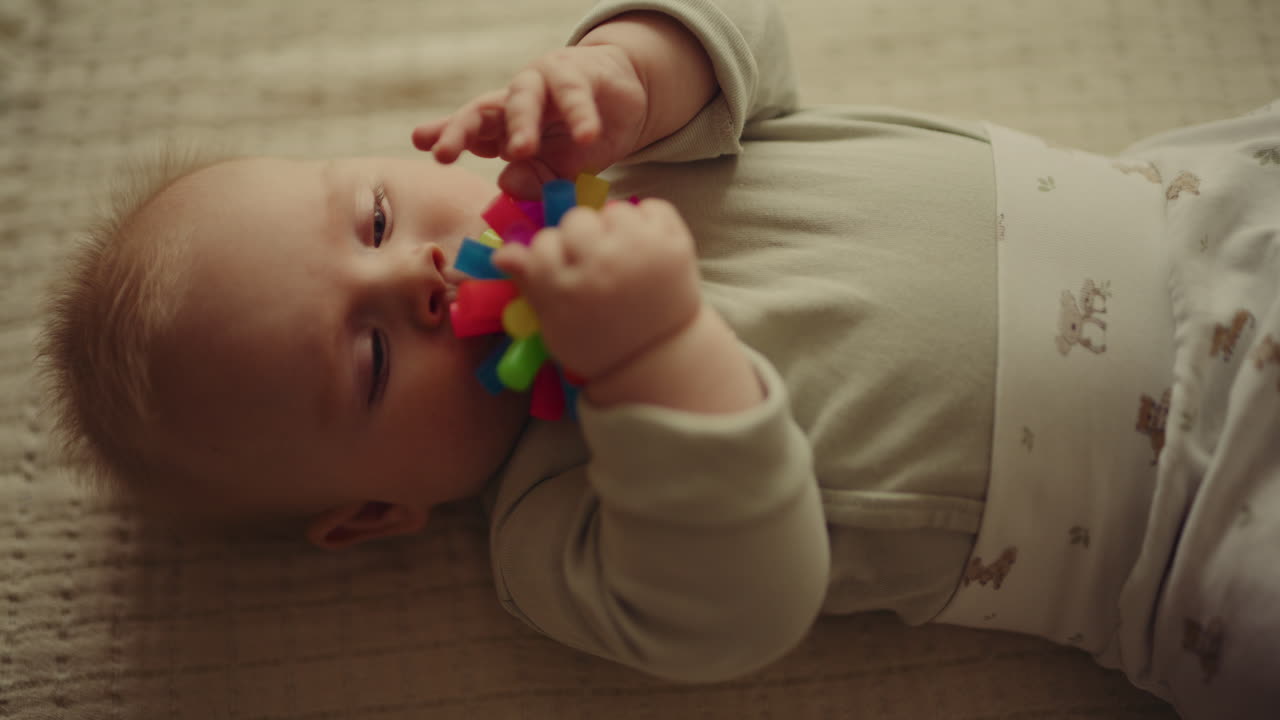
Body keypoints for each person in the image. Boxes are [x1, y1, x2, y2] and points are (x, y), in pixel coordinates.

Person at [37, 0, 1279, 717]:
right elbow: (739, 601)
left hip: (1201, 214)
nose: (410, 275)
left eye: (370, 220)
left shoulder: (628, 159)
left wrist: (625, 66)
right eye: (366, 361)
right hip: (1187, 523)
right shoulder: (553, 529)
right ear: (373, 512)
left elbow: (750, 47)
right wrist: (648, 356)